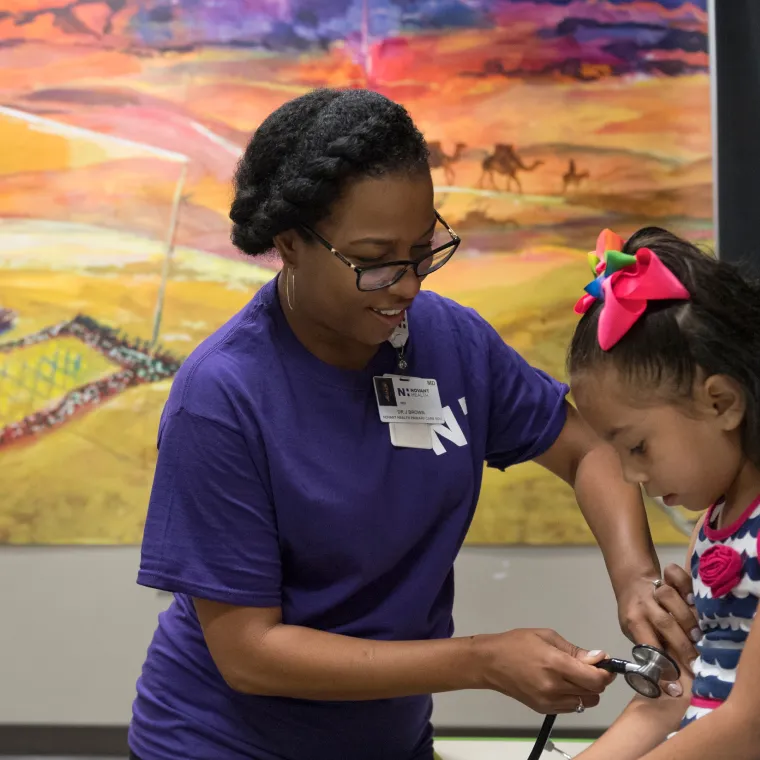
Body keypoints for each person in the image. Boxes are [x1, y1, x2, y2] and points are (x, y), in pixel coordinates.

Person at [127, 90, 696, 760]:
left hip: (390, 739)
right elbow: (250, 654)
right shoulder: (222, 397)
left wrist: (634, 577)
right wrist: (480, 661)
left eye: (423, 249)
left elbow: (589, 451)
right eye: (375, 260)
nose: (408, 285)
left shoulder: (450, 342)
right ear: (290, 245)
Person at [564, 227, 760, 760]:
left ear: (721, 403)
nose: (631, 478)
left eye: (639, 448)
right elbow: (683, 695)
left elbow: (748, 728)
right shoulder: (714, 528)